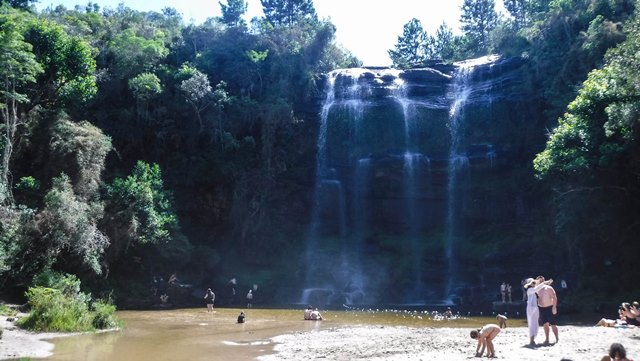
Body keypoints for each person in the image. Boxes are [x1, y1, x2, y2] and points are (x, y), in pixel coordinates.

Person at [535, 275, 559, 344]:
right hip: (541, 308)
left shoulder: (548, 288)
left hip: (549, 307)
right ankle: (547, 339)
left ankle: (557, 338)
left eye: (540, 281)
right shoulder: (536, 289)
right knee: (545, 324)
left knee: (553, 324)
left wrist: (554, 307)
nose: (539, 282)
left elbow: (554, 297)